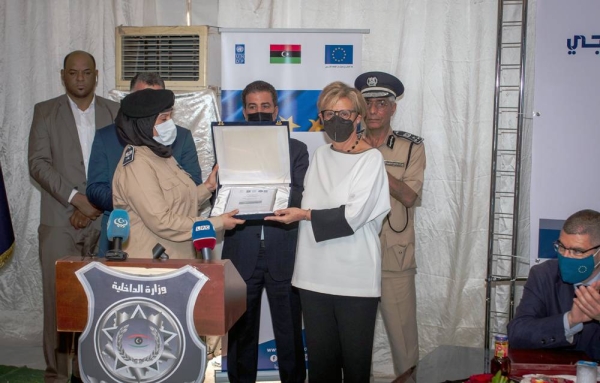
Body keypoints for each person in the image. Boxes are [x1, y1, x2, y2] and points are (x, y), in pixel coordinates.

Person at [266, 81, 391, 383]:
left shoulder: (371, 160)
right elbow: (304, 198)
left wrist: (304, 215)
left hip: (354, 279)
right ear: (321, 117)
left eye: (345, 113)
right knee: (321, 367)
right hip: (313, 276)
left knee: (355, 365)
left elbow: (352, 217)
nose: (337, 119)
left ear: (358, 117)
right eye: (329, 113)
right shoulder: (320, 155)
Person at [28, 50, 120, 383]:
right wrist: (75, 200)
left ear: (97, 75)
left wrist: (93, 205)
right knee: (58, 300)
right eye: (73, 73)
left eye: (86, 72)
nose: (79, 78)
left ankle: (89, 371)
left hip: (103, 219)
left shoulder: (114, 111)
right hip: (58, 221)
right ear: (62, 75)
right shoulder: (45, 112)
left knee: (98, 298)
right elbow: (38, 163)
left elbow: (123, 164)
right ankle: (56, 374)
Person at [221, 80, 309, 383]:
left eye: (265, 106)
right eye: (252, 107)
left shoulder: (297, 150)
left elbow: (298, 196)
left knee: (289, 335)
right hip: (240, 252)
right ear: (244, 112)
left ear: (276, 110)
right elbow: (222, 196)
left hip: (282, 251)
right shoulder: (228, 151)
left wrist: (271, 192)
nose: (259, 112)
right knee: (240, 335)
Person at [112, 89, 244, 258]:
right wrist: (217, 223)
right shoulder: (137, 164)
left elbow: (177, 202)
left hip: (175, 260)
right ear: (144, 123)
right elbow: (162, 222)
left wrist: (207, 187)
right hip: (152, 267)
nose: (170, 124)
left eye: (170, 117)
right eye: (163, 119)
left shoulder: (159, 154)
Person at [354, 71, 426, 377]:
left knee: (403, 341)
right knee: (355, 341)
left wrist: (373, 168)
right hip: (353, 254)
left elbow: (410, 196)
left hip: (393, 255)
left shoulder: (411, 147)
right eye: (368, 104)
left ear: (393, 108)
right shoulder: (346, 144)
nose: (373, 111)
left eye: (381, 104)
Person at [87, 72, 202, 256]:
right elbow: (94, 187)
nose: (151, 106)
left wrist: (158, 202)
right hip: (126, 236)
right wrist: (134, 203)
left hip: (174, 242)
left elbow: (193, 182)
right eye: (144, 99)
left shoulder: (180, 136)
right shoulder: (107, 136)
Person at [507, 209, 600, 359]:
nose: (566, 256)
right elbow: (517, 334)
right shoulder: (544, 275)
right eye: (561, 247)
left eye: (577, 251)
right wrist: (569, 321)